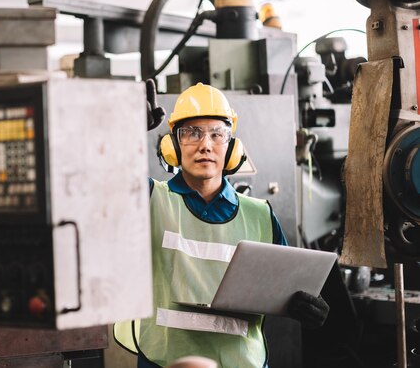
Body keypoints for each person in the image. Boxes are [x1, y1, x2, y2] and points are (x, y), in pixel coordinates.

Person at [114, 83, 329, 368]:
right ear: (172, 145)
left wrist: (310, 307)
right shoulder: (150, 199)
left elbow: (290, 289)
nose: (205, 144)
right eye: (191, 133)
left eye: (217, 134)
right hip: (164, 362)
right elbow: (104, 181)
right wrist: (128, 135)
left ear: (232, 146)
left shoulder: (260, 215)